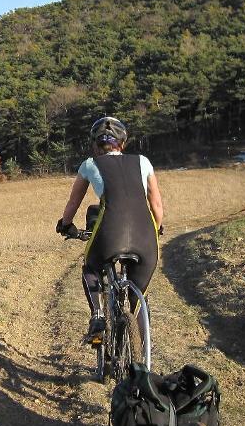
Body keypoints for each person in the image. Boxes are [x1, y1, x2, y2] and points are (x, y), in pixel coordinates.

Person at [55, 116, 164, 341]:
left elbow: (73, 203)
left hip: (109, 234)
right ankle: (143, 357)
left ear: (96, 144)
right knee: (139, 298)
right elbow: (156, 205)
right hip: (146, 237)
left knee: (90, 267)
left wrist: (66, 225)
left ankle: (97, 316)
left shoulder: (89, 164)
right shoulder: (143, 161)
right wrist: (158, 227)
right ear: (122, 143)